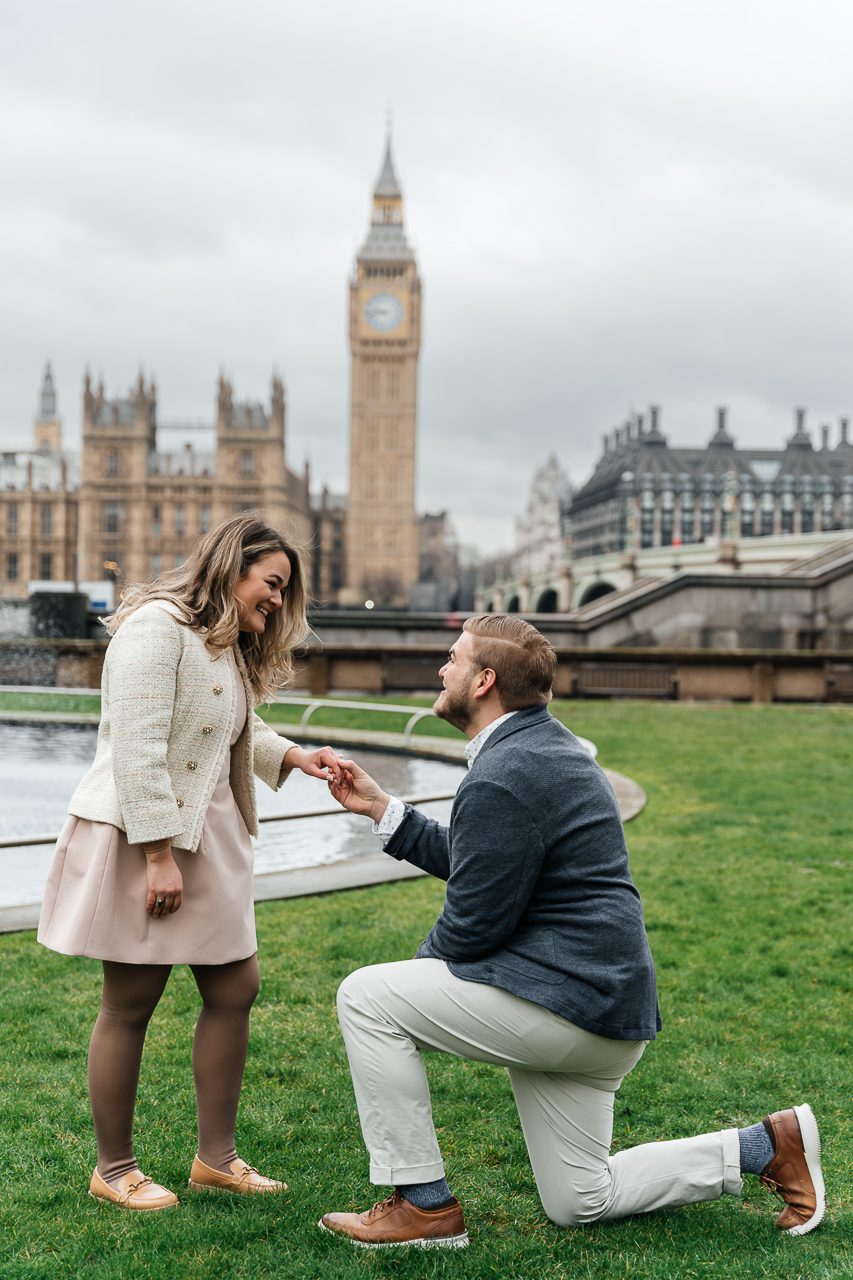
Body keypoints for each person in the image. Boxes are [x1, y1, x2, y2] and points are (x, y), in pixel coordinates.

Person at [319, 614, 825, 1249]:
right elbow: (495, 859)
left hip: (570, 1006)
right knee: (581, 1199)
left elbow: (471, 927)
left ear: (483, 681)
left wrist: (422, 989)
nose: (440, 669)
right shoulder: (542, 748)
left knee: (368, 997)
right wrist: (384, 810)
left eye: (452, 658)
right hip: (601, 1009)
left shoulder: (506, 771)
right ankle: (765, 1147)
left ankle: (423, 1206)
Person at [38, 512, 341, 1212]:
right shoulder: (154, 628)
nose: (276, 599)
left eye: (283, 589)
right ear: (231, 568)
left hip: (213, 837)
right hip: (151, 840)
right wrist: (158, 856)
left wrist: (295, 756)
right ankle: (114, 1170)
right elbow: (139, 749)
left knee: (235, 988)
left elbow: (231, 725)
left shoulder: (220, 641)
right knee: (130, 1003)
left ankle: (217, 1159)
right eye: (271, 583)